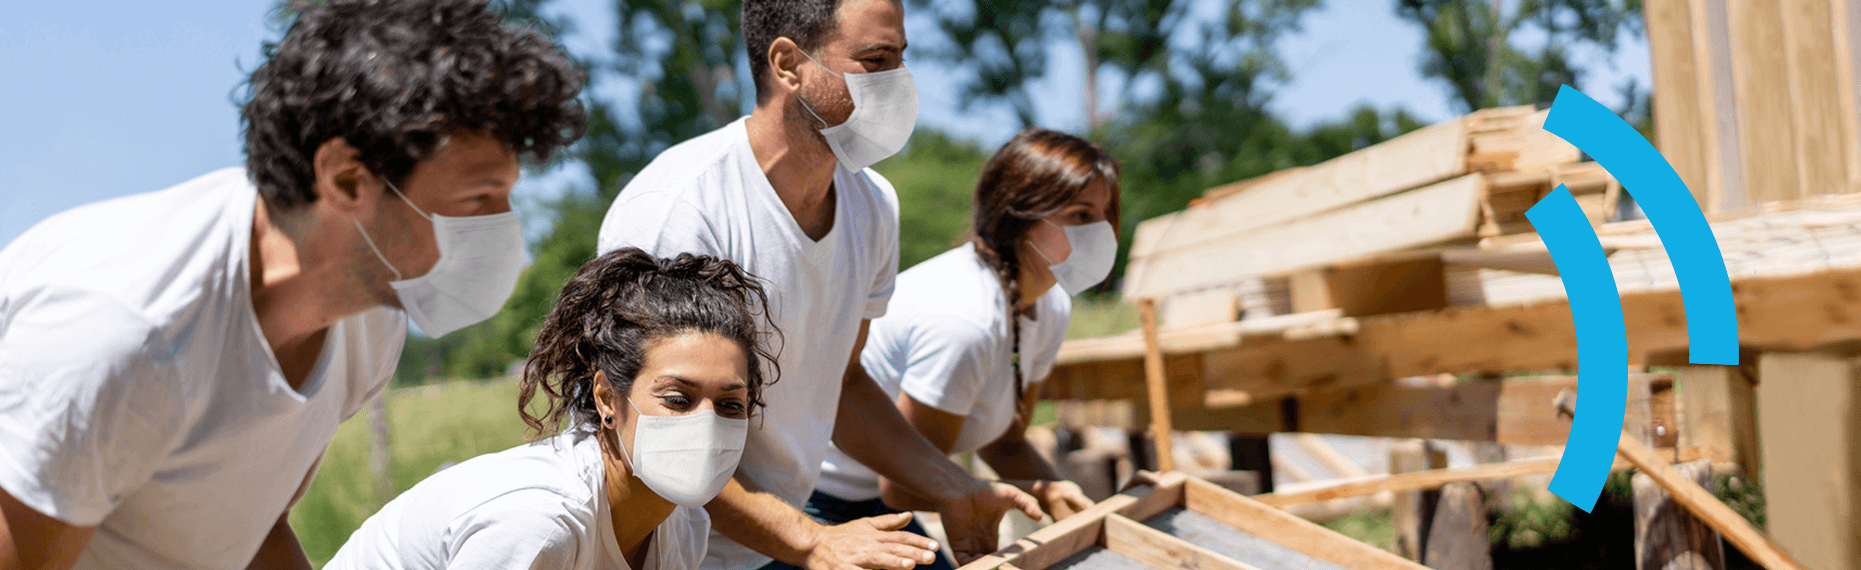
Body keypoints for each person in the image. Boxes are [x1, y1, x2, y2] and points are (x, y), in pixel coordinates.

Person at [0, 0, 586, 568]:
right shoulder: (122, 337)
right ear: (347, 178)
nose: (507, 233)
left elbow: (252, 531)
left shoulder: (368, 317)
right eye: (478, 200)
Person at [595, 0, 1043, 569]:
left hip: (777, 532)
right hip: (669, 547)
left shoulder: (873, 205)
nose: (899, 84)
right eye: (875, 59)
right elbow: (651, 433)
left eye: (902, 60)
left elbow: (846, 383)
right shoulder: (681, 211)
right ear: (787, 64)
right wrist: (813, 541)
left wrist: (955, 486)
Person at [326, 248, 777, 570]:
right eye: (678, 399)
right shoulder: (539, 523)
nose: (705, 422)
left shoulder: (683, 527)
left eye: (729, 404)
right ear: (606, 398)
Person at [808, 128, 1122, 570]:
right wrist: (1032, 495)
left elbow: (1005, 442)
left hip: (881, 500)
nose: (1102, 232)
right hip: (821, 500)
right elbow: (900, 486)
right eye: (1080, 214)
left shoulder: (1049, 305)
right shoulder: (964, 322)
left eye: (1106, 214)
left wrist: (1063, 501)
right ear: (1021, 215)